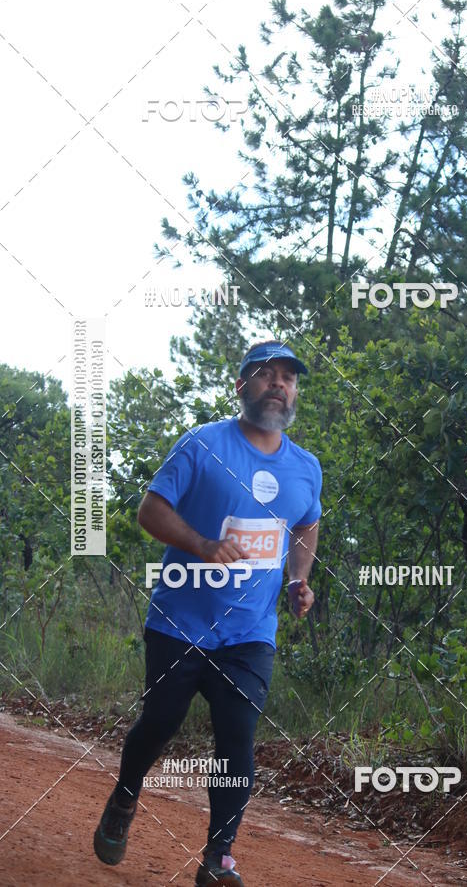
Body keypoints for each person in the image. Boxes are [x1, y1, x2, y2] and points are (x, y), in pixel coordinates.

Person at [93, 339, 322, 886]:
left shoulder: (306, 468)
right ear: (242, 385)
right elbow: (150, 509)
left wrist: (298, 580)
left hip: (250, 632)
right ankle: (125, 799)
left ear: (295, 393)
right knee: (162, 722)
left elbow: (307, 525)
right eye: (266, 375)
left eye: (288, 378)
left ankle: (217, 860)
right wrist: (201, 545)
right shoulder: (201, 445)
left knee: (237, 735)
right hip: (181, 622)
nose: (279, 385)